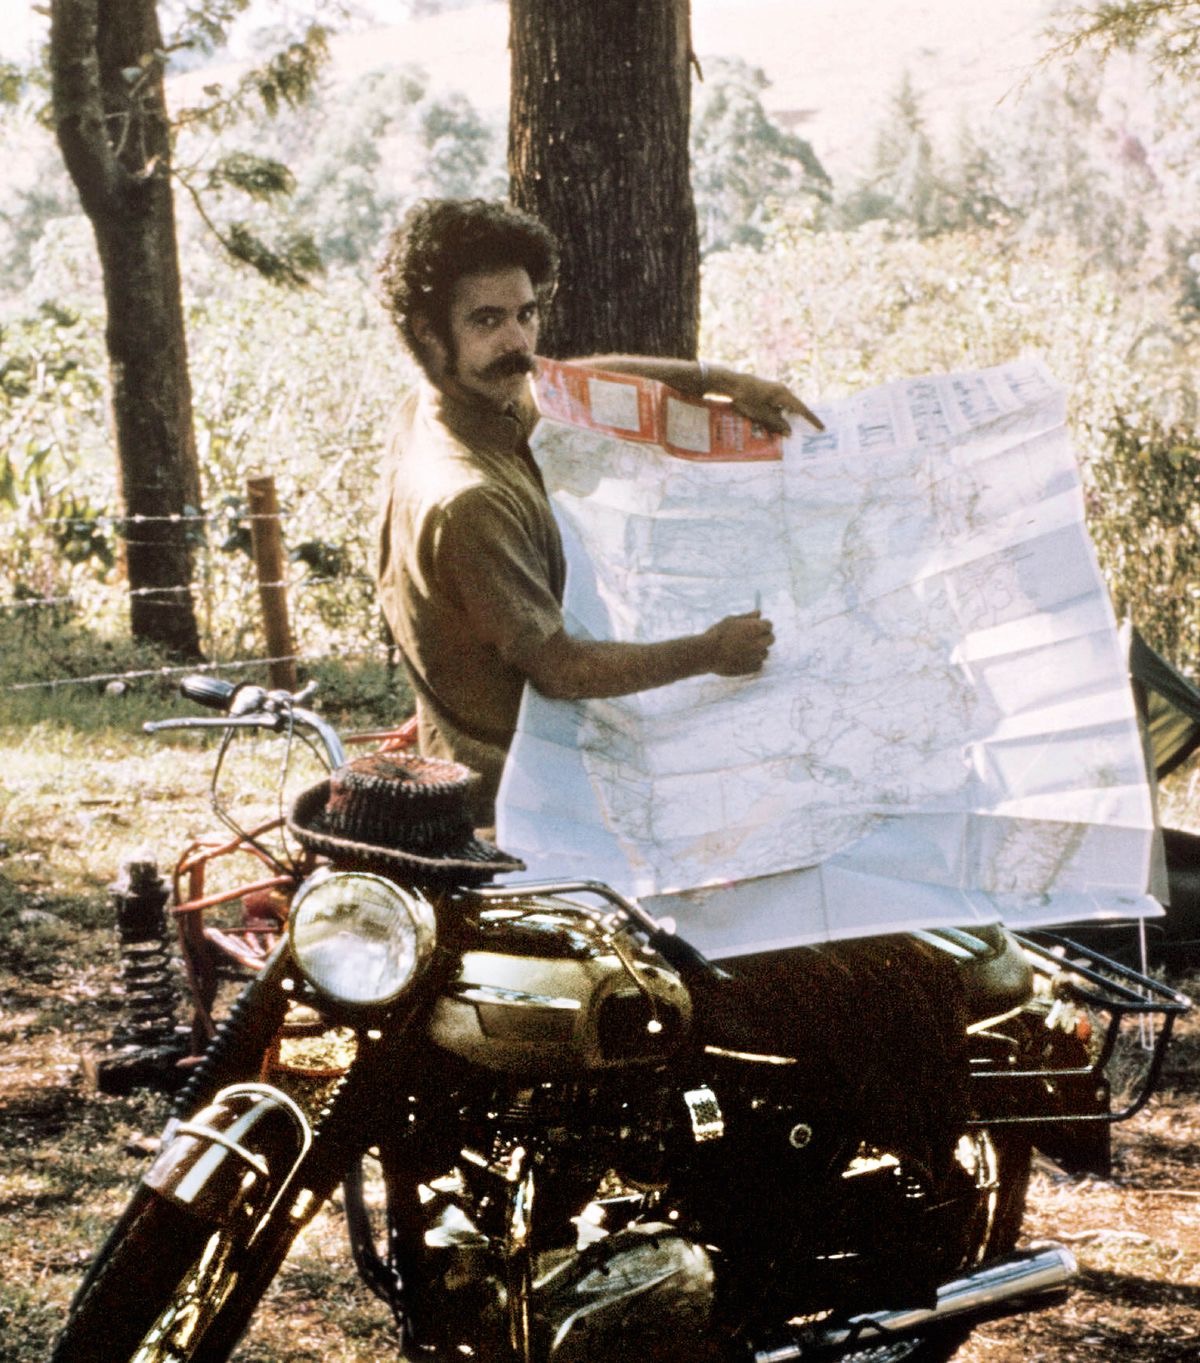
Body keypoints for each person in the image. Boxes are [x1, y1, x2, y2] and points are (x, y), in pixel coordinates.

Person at [375, 198, 823, 827]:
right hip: (518, 804)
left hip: (517, 755)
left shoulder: (446, 404)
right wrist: (707, 651)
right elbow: (561, 668)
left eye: (526, 314)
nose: (518, 342)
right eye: (487, 321)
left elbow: (561, 384)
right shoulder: (467, 498)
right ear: (426, 330)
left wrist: (709, 378)